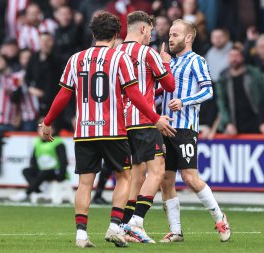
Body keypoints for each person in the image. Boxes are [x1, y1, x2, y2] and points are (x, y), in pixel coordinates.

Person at [39, 11, 176, 248]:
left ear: (93, 33)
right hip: (113, 130)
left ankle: (81, 234)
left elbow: (63, 94)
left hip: (84, 131)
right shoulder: (118, 59)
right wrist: (154, 117)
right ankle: (115, 226)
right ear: (115, 35)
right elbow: (134, 94)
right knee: (124, 177)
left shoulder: (76, 58)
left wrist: (48, 121)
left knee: (84, 183)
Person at [160, 19, 231, 243]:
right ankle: (176, 230)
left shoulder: (197, 61)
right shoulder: (169, 63)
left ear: (188, 38)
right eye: (170, 34)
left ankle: (220, 218)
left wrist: (185, 101)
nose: (170, 39)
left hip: (185, 128)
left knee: (190, 178)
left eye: (175, 35)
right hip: (166, 127)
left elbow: (208, 90)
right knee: (165, 180)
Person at [115, 11, 175, 243]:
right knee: (158, 169)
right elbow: (168, 84)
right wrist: (166, 63)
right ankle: (136, 222)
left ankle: (121, 226)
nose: (151, 35)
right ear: (142, 29)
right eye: (150, 31)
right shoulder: (147, 53)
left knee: (136, 175)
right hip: (144, 120)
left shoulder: (115, 52)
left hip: (120, 123)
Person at [9, 122, 68, 202]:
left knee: (44, 172)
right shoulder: (37, 142)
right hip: (42, 171)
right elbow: (33, 160)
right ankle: (38, 191)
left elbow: (63, 161)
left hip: (55, 171)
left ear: (52, 130)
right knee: (26, 171)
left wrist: (61, 175)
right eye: (40, 129)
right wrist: (34, 169)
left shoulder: (57, 142)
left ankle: (26, 193)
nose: (42, 132)